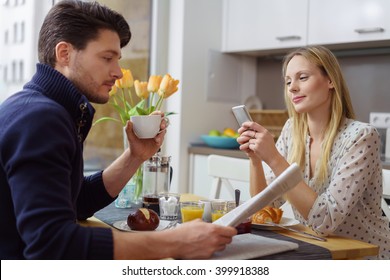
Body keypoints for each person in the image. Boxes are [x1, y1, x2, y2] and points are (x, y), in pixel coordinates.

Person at [0, 0, 236, 260]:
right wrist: (171, 243)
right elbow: (53, 245)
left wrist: (135, 156)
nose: (118, 72)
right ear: (64, 54)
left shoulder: (46, 110)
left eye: (118, 59)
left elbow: (76, 202)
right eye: (107, 58)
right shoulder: (41, 119)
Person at [237, 45, 390, 259]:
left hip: (362, 257)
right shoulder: (292, 130)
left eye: (302, 77)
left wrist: (273, 158)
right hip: (318, 250)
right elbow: (266, 205)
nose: (292, 88)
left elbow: (324, 220)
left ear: (330, 81)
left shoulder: (361, 137)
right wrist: (256, 159)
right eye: (288, 81)